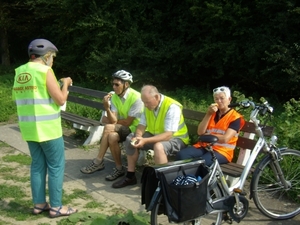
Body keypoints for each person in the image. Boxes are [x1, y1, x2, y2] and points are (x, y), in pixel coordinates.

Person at [12, 39, 77, 217]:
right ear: (46, 56)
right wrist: (66, 84)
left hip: (28, 128)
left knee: (37, 165)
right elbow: (61, 100)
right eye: (52, 57)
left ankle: (39, 204)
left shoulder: (19, 72)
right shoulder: (45, 71)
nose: (53, 61)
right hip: (48, 128)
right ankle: (56, 207)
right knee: (56, 166)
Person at [112, 85, 190, 188]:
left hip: (177, 139)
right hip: (156, 136)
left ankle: (163, 184)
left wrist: (144, 140)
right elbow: (142, 125)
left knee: (158, 147)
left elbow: (168, 135)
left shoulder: (172, 107)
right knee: (131, 139)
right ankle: (130, 176)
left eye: (147, 102)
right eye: (143, 102)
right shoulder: (148, 104)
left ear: (157, 97)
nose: (145, 105)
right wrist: (138, 137)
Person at [80, 70, 144, 181]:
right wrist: (107, 108)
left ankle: (98, 161)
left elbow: (126, 123)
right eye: (113, 84)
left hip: (136, 130)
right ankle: (119, 168)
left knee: (108, 127)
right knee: (111, 136)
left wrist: (112, 121)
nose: (114, 87)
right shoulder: (114, 96)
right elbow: (113, 119)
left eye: (117, 85)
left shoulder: (137, 98)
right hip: (123, 128)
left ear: (126, 85)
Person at [176, 86, 245, 166]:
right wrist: (208, 114)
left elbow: (225, 138)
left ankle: (194, 178)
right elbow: (200, 132)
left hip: (223, 151)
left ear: (229, 99)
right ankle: (183, 178)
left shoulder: (235, 117)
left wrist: (208, 136)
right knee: (182, 155)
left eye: (222, 98)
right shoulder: (212, 113)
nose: (219, 101)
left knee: (201, 163)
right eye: (216, 99)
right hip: (205, 146)